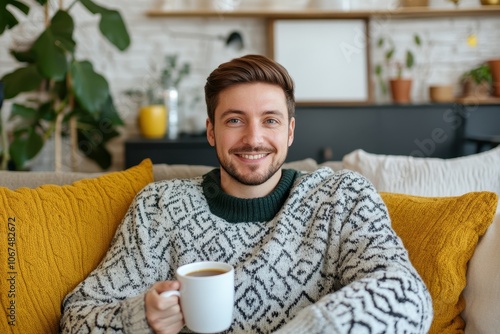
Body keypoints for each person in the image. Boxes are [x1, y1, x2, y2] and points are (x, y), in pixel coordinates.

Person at [61, 54, 433, 333]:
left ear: (289, 132)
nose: (253, 138)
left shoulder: (342, 196)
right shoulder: (160, 207)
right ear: (211, 132)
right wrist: (142, 317)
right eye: (234, 120)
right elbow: (78, 318)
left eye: (269, 120)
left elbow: (406, 295)